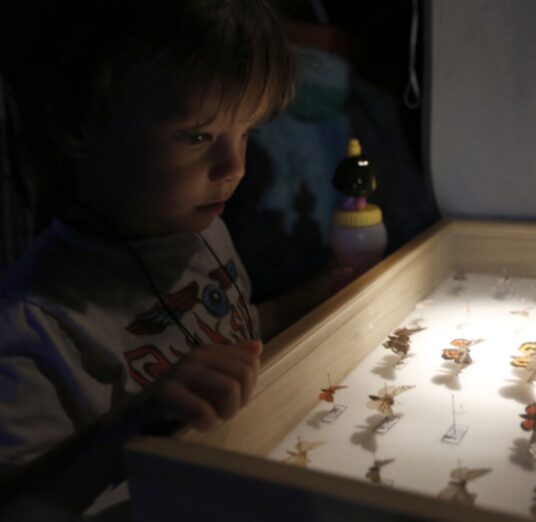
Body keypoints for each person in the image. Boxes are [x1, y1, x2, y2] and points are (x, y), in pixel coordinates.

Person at [0, 0, 340, 517]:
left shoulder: (205, 230)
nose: (234, 167)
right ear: (77, 125)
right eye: (198, 137)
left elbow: (229, 334)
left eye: (246, 132)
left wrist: (317, 296)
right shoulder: (34, 322)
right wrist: (134, 426)